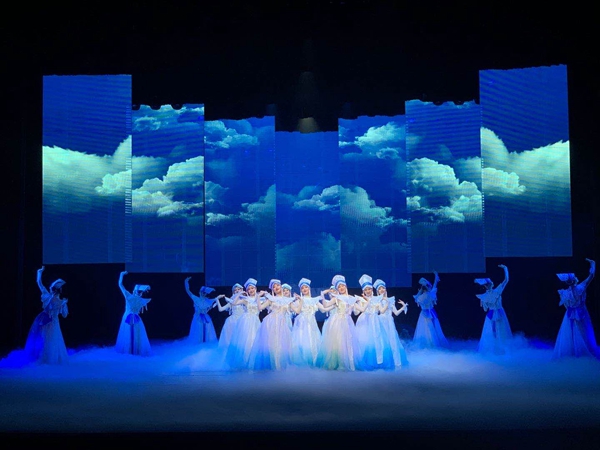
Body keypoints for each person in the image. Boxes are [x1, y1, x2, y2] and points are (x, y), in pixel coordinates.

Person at [553, 258, 598, 359]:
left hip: (571, 314)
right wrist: (593, 264)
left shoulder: (564, 293)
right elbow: (591, 276)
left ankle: (572, 351)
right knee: (582, 330)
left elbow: (566, 305)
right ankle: (581, 351)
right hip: (581, 312)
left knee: (570, 331)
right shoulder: (580, 287)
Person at [316, 275, 362, 371]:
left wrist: (360, 302)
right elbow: (326, 305)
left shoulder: (350, 297)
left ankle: (348, 362)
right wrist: (323, 295)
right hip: (338, 322)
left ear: (346, 286)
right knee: (338, 342)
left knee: (348, 341)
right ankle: (338, 362)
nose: (341, 288)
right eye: (339, 287)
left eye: (342, 286)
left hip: (348, 321)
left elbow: (357, 311)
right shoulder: (336, 298)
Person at [24, 266, 69, 364]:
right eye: (53, 288)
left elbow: (65, 315)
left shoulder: (61, 302)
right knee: (44, 339)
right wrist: (39, 272)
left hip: (54, 323)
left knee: (52, 340)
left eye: (55, 289)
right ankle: (43, 358)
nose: (53, 290)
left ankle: (51, 360)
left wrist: (64, 305)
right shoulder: (48, 296)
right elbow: (39, 283)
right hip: (45, 321)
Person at [248, 279, 294, 370]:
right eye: (274, 287)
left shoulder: (287, 300)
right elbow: (260, 307)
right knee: (272, 343)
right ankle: (273, 366)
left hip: (282, 323)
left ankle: (279, 365)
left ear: (281, 286)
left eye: (277, 285)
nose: (276, 287)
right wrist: (258, 297)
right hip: (271, 322)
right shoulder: (271, 299)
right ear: (272, 289)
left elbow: (297, 311)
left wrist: (300, 301)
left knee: (281, 344)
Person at [290, 278, 335, 367]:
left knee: (312, 340)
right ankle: (302, 362)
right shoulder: (299, 300)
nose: (304, 289)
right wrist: (300, 301)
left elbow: (323, 309)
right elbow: (297, 311)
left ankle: (312, 361)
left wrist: (334, 306)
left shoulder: (314, 300)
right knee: (302, 340)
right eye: (302, 288)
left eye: (306, 287)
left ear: (309, 288)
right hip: (302, 324)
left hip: (312, 323)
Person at [353, 274, 394, 370]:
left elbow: (381, 311)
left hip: (375, 322)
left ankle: (377, 361)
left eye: (369, 289)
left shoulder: (377, 299)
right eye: (366, 289)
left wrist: (387, 303)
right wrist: (355, 305)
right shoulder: (361, 299)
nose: (368, 291)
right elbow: (356, 313)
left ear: (372, 289)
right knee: (364, 341)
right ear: (363, 291)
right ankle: (364, 361)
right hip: (364, 321)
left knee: (377, 340)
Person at [474, 264, 512, 354]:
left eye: (490, 283)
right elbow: (485, 309)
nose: (489, 284)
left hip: (499, 313)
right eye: (487, 284)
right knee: (491, 331)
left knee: (501, 330)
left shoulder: (497, 290)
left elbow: (506, 280)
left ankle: (502, 349)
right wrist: (485, 302)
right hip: (491, 315)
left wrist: (505, 269)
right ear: (486, 286)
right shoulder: (485, 296)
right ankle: (493, 349)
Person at [226, 278, 262, 370]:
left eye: (252, 288)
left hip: (256, 322)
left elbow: (261, 308)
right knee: (246, 341)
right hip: (246, 322)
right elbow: (234, 303)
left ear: (255, 288)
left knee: (255, 341)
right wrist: (239, 294)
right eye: (249, 289)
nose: (251, 290)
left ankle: (254, 362)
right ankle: (245, 362)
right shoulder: (246, 300)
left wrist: (260, 296)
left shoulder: (260, 298)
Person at [115, 271, 152, 356]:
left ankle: (132, 352)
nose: (140, 293)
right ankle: (133, 351)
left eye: (140, 292)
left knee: (132, 334)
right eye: (140, 292)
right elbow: (120, 285)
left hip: (131, 318)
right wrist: (121, 274)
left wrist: (121, 274)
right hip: (132, 318)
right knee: (132, 334)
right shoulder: (139, 299)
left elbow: (120, 284)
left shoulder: (132, 297)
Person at [374, 278, 408, 367]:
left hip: (390, 322)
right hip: (381, 322)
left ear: (385, 289)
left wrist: (403, 307)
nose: (382, 290)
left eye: (383, 288)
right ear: (377, 291)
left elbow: (395, 313)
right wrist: (387, 302)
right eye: (379, 289)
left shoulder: (391, 300)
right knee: (383, 341)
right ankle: (384, 361)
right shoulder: (377, 301)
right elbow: (381, 311)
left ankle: (396, 362)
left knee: (393, 340)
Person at [412, 271, 449, 349]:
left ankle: (427, 344)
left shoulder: (420, 297)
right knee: (432, 328)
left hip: (425, 313)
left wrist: (420, 291)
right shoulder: (431, 294)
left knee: (425, 328)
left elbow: (416, 298)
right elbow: (434, 286)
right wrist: (436, 278)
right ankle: (434, 343)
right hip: (431, 313)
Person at [185, 277, 218, 344]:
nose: (203, 294)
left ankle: (206, 343)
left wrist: (211, 306)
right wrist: (186, 282)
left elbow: (215, 299)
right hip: (197, 317)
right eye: (202, 292)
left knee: (207, 330)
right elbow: (188, 291)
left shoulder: (208, 301)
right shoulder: (196, 299)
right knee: (198, 330)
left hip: (205, 317)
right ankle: (198, 343)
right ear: (199, 292)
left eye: (204, 293)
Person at [215, 283, 245, 351]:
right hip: (232, 322)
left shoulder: (245, 300)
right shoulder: (231, 302)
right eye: (235, 290)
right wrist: (217, 299)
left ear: (241, 290)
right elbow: (221, 309)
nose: (237, 291)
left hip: (242, 321)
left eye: (238, 289)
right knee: (231, 340)